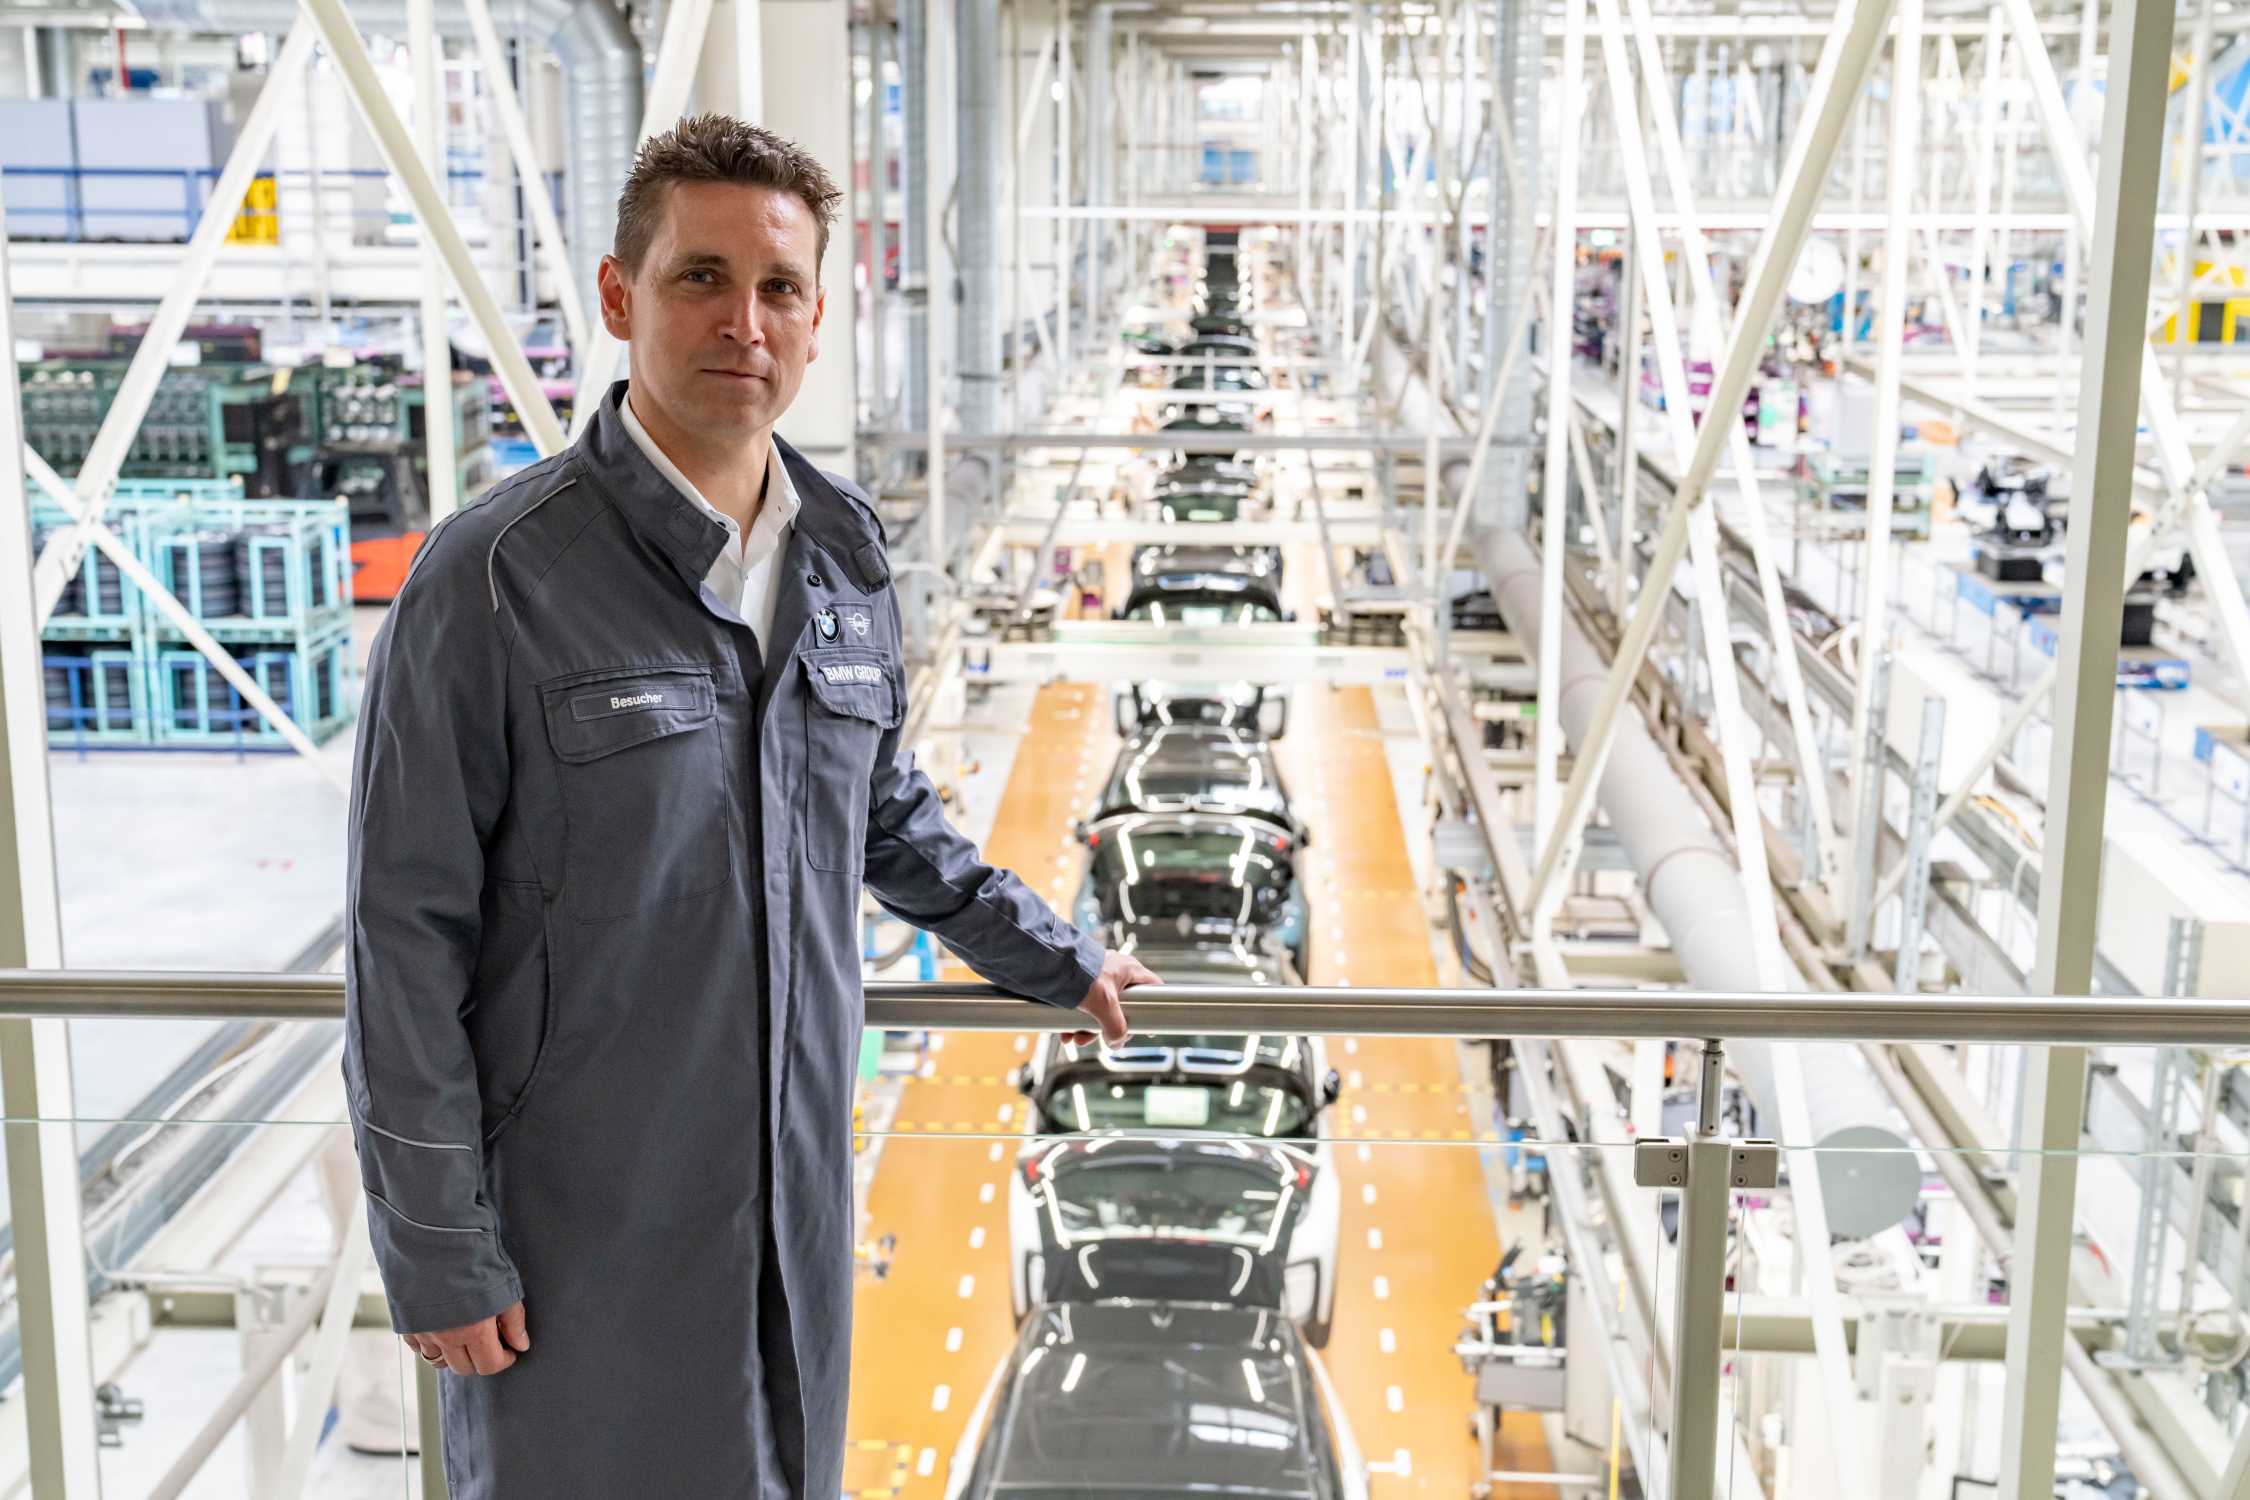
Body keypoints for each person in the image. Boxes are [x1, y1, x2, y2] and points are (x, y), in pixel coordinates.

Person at [344, 114, 1157, 1499]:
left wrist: (1053, 955)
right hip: (576, 1229)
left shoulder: (841, 547)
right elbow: (402, 936)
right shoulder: (494, 577)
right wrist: (436, 1244)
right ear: (619, 296)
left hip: (793, 1199)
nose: (744, 323)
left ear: (819, 314)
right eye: (699, 278)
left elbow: (880, 808)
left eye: (778, 287)